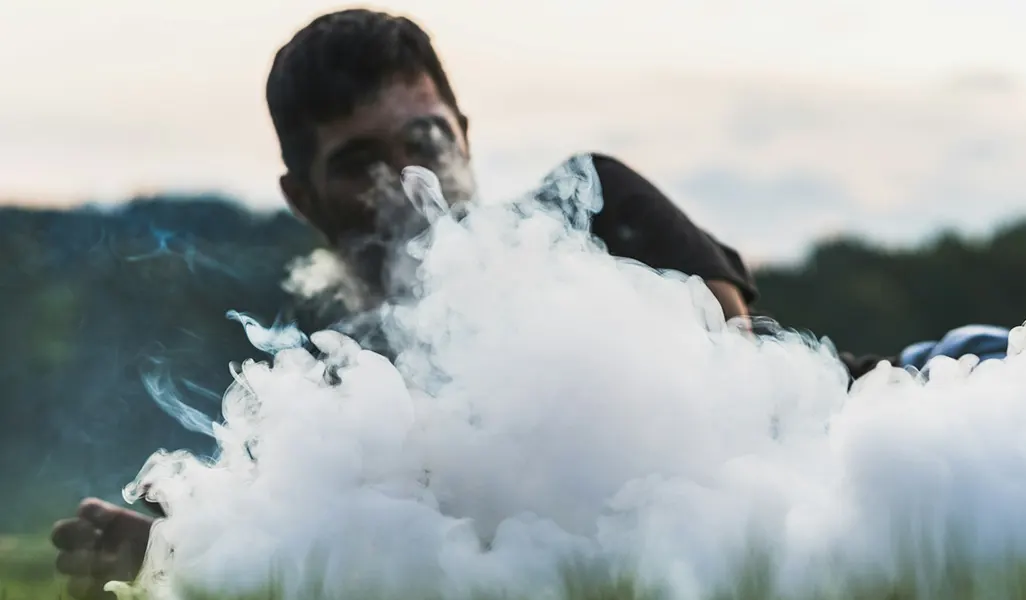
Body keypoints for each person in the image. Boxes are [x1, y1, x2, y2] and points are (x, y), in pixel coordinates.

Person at [50, 9, 765, 598]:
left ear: (465, 134)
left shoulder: (596, 207)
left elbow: (727, 397)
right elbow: (343, 558)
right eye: (360, 161)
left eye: (426, 137)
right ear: (302, 199)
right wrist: (179, 552)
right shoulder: (322, 383)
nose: (406, 179)